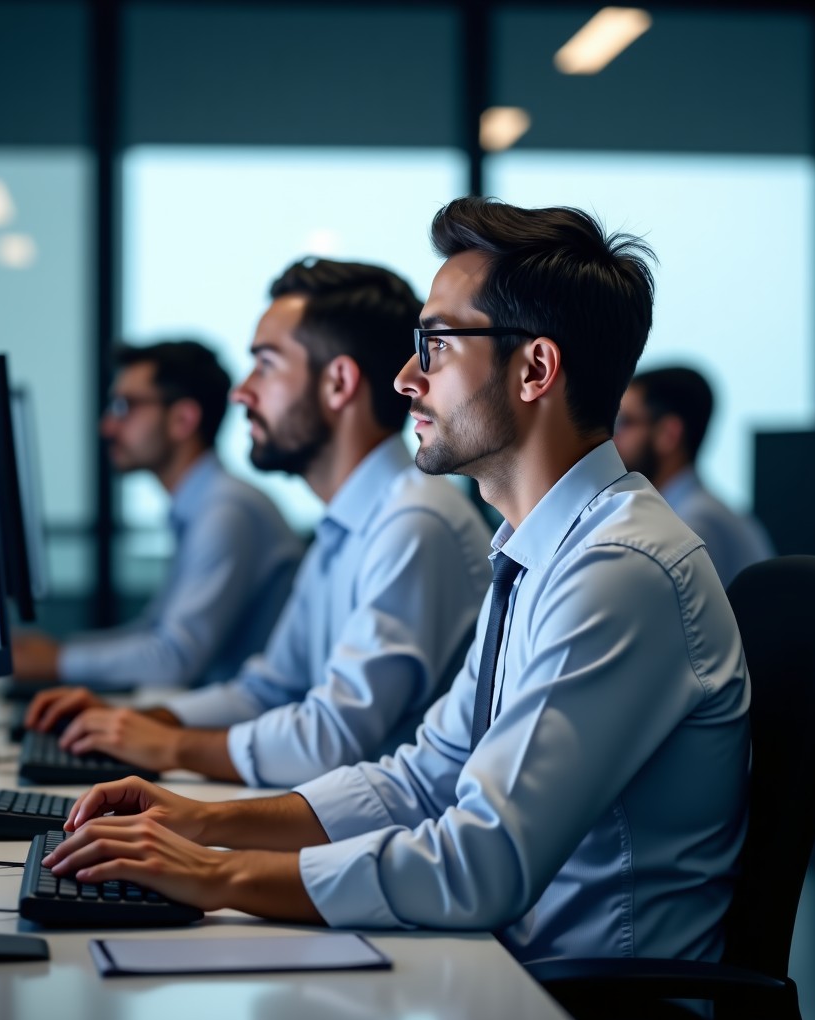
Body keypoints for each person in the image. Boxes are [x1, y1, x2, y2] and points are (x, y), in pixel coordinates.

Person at [42, 199, 751, 969]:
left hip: (578, 996)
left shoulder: (620, 569)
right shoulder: (536, 553)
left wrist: (216, 874)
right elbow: (421, 779)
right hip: (499, 965)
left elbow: (481, 864)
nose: (408, 378)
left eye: (436, 345)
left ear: (536, 369)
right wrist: (201, 825)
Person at [25, 258, 493, 788]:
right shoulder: (347, 524)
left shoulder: (413, 524)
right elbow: (269, 689)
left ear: (338, 383)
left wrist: (170, 745)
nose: (241, 392)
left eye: (266, 365)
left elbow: (332, 739)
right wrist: (142, 722)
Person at [12, 341, 303, 689]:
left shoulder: (226, 510)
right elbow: (154, 629)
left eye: (125, 406)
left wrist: (57, 661)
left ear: (183, 419)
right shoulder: (202, 506)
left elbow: (174, 657)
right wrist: (59, 651)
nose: (107, 426)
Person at [613, 365, 773, 588]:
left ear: (668, 434)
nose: (612, 438)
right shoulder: (698, 512)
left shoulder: (694, 524)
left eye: (624, 423)